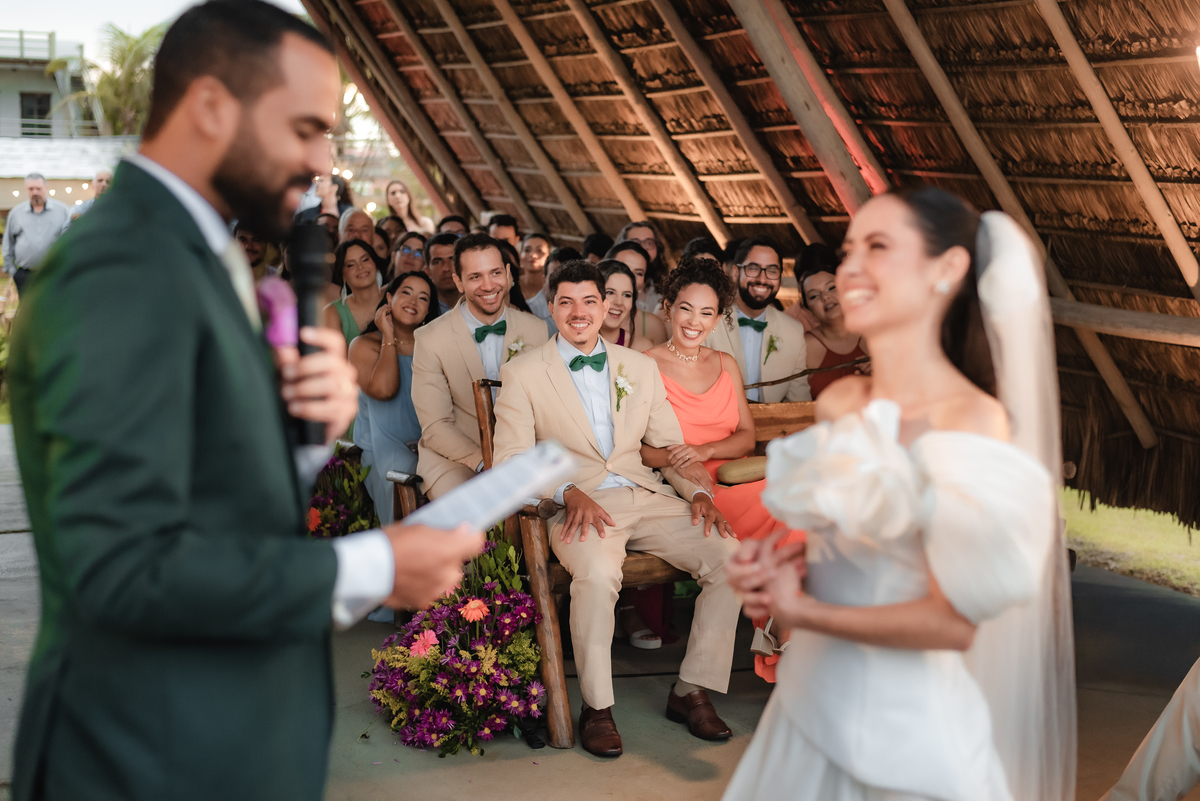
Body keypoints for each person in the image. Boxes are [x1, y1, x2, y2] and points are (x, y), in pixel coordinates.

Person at [6, 5, 485, 801]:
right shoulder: (121, 271)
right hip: (149, 751)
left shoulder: (194, 249)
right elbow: (122, 566)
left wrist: (298, 430)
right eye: (303, 128)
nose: (321, 160)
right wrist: (373, 563)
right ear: (210, 106)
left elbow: (198, 486)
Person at [721, 187, 1075, 801]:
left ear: (948, 269)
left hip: (907, 731)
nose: (850, 268)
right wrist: (787, 571)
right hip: (807, 707)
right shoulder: (839, 405)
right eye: (850, 249)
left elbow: (951, 622)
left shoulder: (970, 421)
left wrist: (805, 614)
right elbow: (861, 546)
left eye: (879, 247)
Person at [492, 259, 740, 758]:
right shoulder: (522, 373)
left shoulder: (638, 367)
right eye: (566, 301)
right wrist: (565, 492)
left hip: (645, 494)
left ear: (607, 306)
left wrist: (698, 494)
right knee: (600, 575)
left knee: (731, 556)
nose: (579, 312)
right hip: (577, 507)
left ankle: (690, 690)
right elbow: (512, 462)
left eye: (590, 301)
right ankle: (597, 708)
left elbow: (670, 448)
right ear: (551, 307)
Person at [641, 256, 803, 682]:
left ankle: (784, 631)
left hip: (739, 473)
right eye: (686, 308)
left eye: (707, 312)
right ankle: (782, 638)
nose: (695, 321)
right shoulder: (645, 365)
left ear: (718, 318)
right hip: (692, 485)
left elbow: (746, 437)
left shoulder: (725, 364)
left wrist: (705, 446)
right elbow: (636, 451)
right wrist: (684, 458)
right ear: (668, 307)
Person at [411, 233, 549, 499]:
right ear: (458, 283)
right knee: (470, 512)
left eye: (495, 273)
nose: (488, 285)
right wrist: (487, 463)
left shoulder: (536, 330)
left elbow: (545, 410)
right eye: (475, 277)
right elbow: (436, 426)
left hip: (522, 455)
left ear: (509, 274)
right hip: (454, 460)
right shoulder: (429, 339)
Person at [350, 270, 439, 523]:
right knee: (404, 469)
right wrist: (388, 336)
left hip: (430, 445)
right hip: (383, 447)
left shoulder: (432, 348)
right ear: (389, 298)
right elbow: (384, 390)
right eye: (406, 293)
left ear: (428, 311)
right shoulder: (363, 345)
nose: (413, 302)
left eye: (423, 298)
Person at [703, 237, 810, 403]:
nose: (762, 279)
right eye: (753, 269)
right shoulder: (706, 321)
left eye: (772, 271)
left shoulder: (793, 331)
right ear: (736, 272)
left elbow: (799, 402)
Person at [798, 244, 869, 398]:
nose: (825, 297)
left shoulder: (874, 336)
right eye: (814, 296)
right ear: (808, 310)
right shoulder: (803, 348)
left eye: (831, 288)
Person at [2, 173, 71, 295]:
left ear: (46, 187)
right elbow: (8, 243)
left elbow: (70, 240)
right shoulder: (16, 213)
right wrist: (14, 272)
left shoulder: (63, 210)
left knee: (52, 309)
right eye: (31, 189)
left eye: (38, 188)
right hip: (25, 276)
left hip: (54, 273)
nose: (35, 192)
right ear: (26, 189)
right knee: (28, 312)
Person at [606, 240, 668, 345]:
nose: (630, 278)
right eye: (624, 269)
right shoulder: (586, 316)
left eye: (638, 273)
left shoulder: (653, 325)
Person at [324, 238, 384, 345]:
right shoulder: (333, 312)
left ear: (376, 264)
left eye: (365, 260)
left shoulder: (395, 299)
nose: (360, 267)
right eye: (351, 265)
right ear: (343, 275)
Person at [597, 259, 652, 352]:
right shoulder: (569, 341)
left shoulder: (641, 348)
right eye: (610, 292)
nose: (619, 302)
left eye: (627, 295)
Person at [616, 219, 669, 312]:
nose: (643, 249)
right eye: (636, 243)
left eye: (649, 243)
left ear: (658, 248)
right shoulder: (606, 287)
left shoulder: (667, 288)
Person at [424, 231, 463, 315]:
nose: (446, 268)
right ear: (428, 271)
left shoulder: (480, 303)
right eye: (437, 262)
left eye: (453, 260)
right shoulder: (422, 310)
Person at [519, 232, 553, 322]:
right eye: (527, 250)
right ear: (520, 255)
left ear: (549, 257)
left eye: (539, 251)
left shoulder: (552, 288)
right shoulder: (511, 285)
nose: (533, 255)